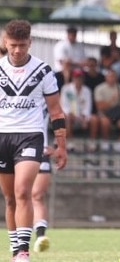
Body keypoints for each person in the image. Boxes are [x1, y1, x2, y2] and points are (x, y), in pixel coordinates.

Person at [0, 19, 68, 262]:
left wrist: (62, 146)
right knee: (9, 198)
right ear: (5, 43)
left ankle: (22, 251)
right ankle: (14, 245)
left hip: (31, 135)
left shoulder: (43, 71)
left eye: (22, 45)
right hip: (2, 136)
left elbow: (56, 111)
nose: (18, 50)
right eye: (13, 45)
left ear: (31, 43)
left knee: (22, 191)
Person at [60, 68, 99, 147]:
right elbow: (65, 106)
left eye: (80, 78)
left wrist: (84, 117)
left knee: (94, 119)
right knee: (68, 117)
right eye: (76, 78)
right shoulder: (66, 89)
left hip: (83, 116)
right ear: (73, 78)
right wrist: (74, 115)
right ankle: (71, 141)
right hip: (71, 115)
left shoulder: (87, 90)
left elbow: (88, 106)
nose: (78, 80)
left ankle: (92, 142)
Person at [32, 108, 53, 253]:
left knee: (37, 195)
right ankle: (17, 239)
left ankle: (40, 235)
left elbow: (61, 119)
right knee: (15, 196)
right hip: (12, 148)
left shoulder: (48, 96)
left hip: (41, 149)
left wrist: (59, 146)